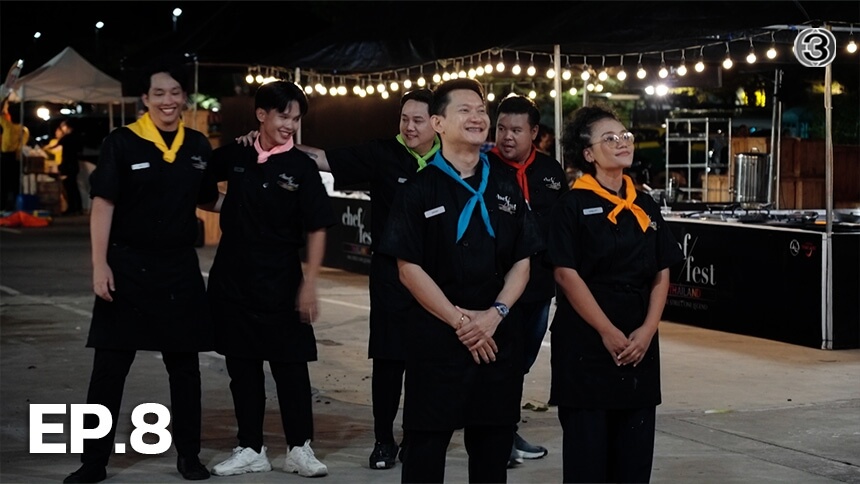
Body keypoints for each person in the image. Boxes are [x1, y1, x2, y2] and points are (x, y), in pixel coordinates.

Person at [240, 88, 440, 470]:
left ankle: (417, 438)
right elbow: (320, 158)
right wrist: (266, 141)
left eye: (418, 120)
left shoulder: (449, 160)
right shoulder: (382, 152)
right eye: (404, 119)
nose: (409, 127)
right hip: (391, 273)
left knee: (428, 363)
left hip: (437, 275)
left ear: (437, 122)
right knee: (389, 360)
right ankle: (384, 441)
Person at [378, 78, 542, 483]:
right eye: (464, 110)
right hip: (438, 340)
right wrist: (461, 322)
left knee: (492, 455)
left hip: (496, 340)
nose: (477, 117)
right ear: (438, 123)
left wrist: (495, 314)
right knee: (425, 452)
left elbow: (523, 260)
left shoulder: (504, 184)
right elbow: (408, 268)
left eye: (481, 110)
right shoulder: (419, 188)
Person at [63, 61, 213, 483]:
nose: (168, 101)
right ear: (145, 99)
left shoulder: (197, 145)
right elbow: (103, 205)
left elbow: (208, 199)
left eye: (175, 93)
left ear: (185, 98)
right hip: (127, 268)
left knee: (185, 369)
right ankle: (94, 462)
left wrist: (259, 201)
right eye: (159, 93)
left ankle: (189, 456)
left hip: (179, 270)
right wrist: (100, 265)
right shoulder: (122, 142)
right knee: (109, 369)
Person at [202, 80, 335, 478]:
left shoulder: (301, 167)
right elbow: (200, 188)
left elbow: (317, 227)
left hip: (282, 281)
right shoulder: (236, 155)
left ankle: (299, 449)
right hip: (233, 281)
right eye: (283, 116)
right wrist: (231, 207)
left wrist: (310, 282)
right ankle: (250, 448)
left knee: (290, 368)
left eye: (296, 119)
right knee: (242, 369)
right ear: (261, 115)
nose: (290, 125)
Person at [546, 104, 684, 483]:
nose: (622, 143)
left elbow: (662, 269)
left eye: (625, 136)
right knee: (587, 462)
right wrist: (607, 331)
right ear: (588, 154)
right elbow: (565, 273)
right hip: (587, 345)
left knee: (634, 461)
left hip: (639, 343)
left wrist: (648, 330)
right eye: (609, 139)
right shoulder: (571, 205)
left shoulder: (645, 204)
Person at [486, 95, 567, 467]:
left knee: (521, 362)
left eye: (516, 130)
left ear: (534, 132)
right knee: (500, 363)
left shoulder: (551, 171)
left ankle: (504, 430)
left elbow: (563, 227)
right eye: (501, 128)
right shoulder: (484, 169)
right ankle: (497, 437)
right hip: (498, 287)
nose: (506, 137)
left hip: (540, 287)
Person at [44, 119, 84, 215]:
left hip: (67, 166)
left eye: (62, 126)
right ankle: (78, 208)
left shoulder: (66, 138)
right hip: (74, 166)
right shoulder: (76, 137)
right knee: (74, 187)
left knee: (69, 188)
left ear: (67, 127)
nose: (61, 129)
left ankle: (72, 208)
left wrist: (45, 148)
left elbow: (55, 146)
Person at [0, 101, 29, 211]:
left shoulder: (8, 126)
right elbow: (23, 144)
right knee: (15, 183)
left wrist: (3, 105)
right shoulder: (24, 130)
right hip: (16, 158)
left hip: (6, 157)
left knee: (4, 183)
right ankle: (16, 207)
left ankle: (3, 206)